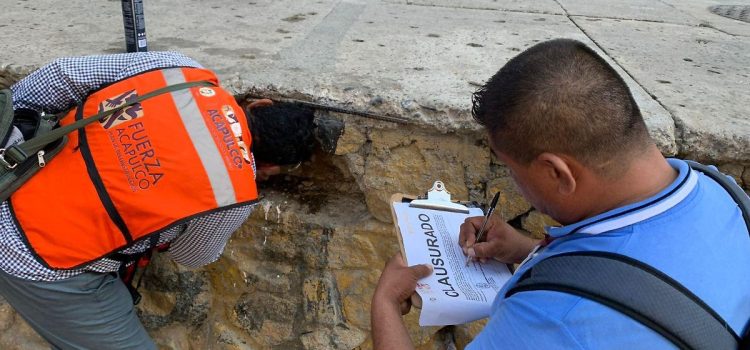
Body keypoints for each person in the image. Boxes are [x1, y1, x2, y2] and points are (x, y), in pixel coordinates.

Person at [371, 39, 750, 349]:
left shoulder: (554, 320)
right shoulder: (721, 191)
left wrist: (386, 307)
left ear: (557, 173)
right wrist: (526, 249)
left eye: (513, 171)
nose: (516, 183)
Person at [0, 51, 315, 349]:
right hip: (33, 254)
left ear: (260, 104)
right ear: (271, 167)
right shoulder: (234, 194)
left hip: (10, 179)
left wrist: (9, 133)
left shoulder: (179, 68)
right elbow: (191, 255)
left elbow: (62, 75)